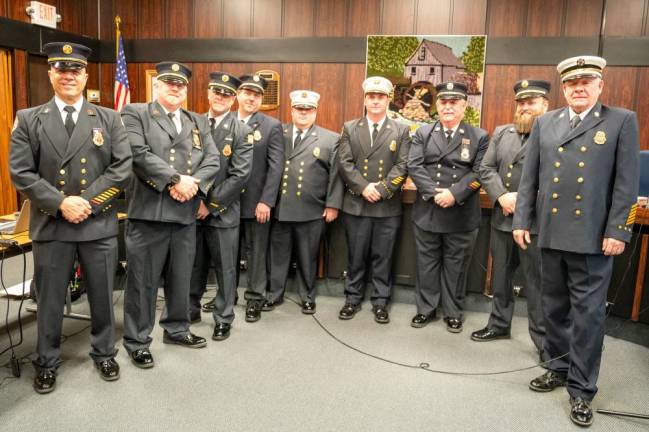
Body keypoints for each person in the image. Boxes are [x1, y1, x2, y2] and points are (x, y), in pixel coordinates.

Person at [513, 56, 639, 427]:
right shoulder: (545, 122)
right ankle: (557, 367)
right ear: (564, 88)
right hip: (550, 233)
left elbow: (626, 184)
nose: (579, 88)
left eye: (586, 81)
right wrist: (523, 219)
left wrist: (619, 230)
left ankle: (582, 390)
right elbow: (529, 178)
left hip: (593, 239)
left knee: (587, 317)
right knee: (552, 308)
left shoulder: (620, 121)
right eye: (572, 83)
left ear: (600, 85)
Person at [9, 42, 132, 393]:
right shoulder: (29, 118)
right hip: (52, 224)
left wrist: (87, 204)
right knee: (48, 300)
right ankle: (46, 361)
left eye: (75, 70)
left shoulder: (108, 118)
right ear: (50, 73)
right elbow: (21, 172)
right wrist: (62, 203)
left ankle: (104, 352)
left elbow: (121, 169)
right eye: (61, 69)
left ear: (85, 75)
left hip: (97, 225)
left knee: (101, 296)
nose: (68, 76)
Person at [121, 62, 219, 368]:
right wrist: (176, 180)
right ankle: (137, 340)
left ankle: (177, 328)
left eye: (180, 84)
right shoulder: (135, 113)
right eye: (168, 83)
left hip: (185, 212)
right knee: (143, 281)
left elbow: (213, 159)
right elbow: (138, 154)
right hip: (150, 213)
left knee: (181, 277)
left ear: (186, 90)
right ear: (157, 85)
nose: (175, 88)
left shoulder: (197, 120)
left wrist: (194, 185)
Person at [471, 79, 549, 356]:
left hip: (535, 223)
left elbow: (556, 178)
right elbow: (486, 168)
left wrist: (523, 202)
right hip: (503, 217)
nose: (525, 107)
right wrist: (501, 196)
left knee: (536, 285)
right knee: (501, 277)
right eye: (521, 103)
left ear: (545, 104)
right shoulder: (503, 132)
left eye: (532, 102)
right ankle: (499, 324)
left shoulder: (554, 132)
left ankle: (543, 341)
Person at [407, 82, 489, 333]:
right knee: (427, 263)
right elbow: (414, 165)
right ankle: (426, 309)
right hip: (428, 210)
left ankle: (453, 312)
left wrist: (454, 194)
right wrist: (433, 194)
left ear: (464, 106)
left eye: (454, 102)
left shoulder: (479, 136)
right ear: (437, 106)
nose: (448, 107)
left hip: (461, 212)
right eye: (443, 102)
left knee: (456, 265)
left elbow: (480, 172)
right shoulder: (423, 133)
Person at [336, 76, 411, 324]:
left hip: (386, 205)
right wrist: (364, 187)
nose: (376, 100)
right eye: (371, 96)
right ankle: (352, 299)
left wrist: (382, 188)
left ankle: (380, 302)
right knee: (355, 256)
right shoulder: (350, 127)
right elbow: (344, 163)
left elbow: (403, 165)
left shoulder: (401, 130)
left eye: (381, 96)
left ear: (388, 100)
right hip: (357, 203)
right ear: (365, 99)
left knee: (383, 257)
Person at [265, 90, 343, 314]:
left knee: (307, 257)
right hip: (281, 207)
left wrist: (332, 204)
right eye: (299, 109)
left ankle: (308, 296)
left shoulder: (330, 138)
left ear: (315, 112)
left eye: (308, 110)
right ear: (292, 110)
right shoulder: (277, 132)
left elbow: (335, 176)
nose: (303, 113)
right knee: (277, 256)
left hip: (312, 209)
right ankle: (274, 294)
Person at [189, 72, 253, 341]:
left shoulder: (242, 130)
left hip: (222, 212)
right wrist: (194, 201)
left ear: (234, 98)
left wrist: (210, 205)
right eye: (216, 91)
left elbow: (240, 176)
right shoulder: (193, 123)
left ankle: (223, 317)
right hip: (190, 209)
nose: (221, 97)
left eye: (227, 93)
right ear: (208, 93)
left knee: (226, 268)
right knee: (192, 266)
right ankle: (188, 310)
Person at [236, 74, 284, 323]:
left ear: (261, 100)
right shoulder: (223, 121)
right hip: (225, 202)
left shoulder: (270, 126)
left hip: (257, 203)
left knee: (256, 252)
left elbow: (276, 167)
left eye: (256, 95)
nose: (251, 98)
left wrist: (266, 200)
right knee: (227, 252)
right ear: (237, 94)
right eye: (247, 92)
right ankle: (226, 296)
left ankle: (254, 298)